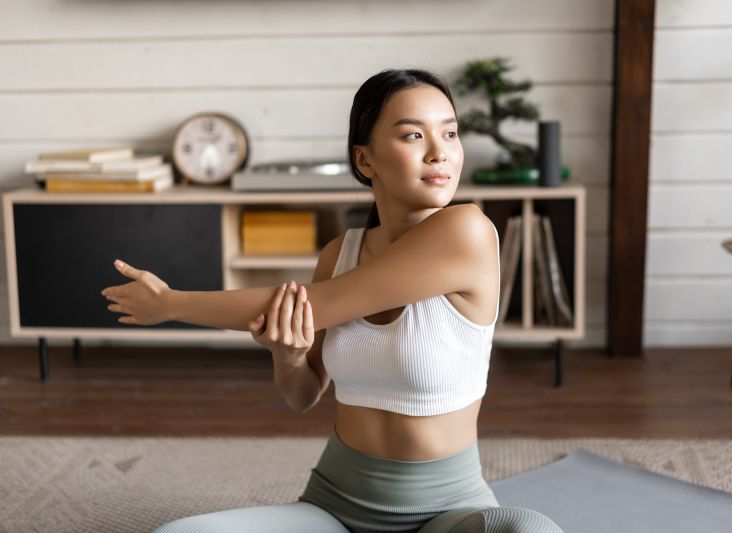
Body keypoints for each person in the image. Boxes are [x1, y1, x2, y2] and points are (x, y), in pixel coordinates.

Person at [101, 68, 562, 533]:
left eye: (450, 132)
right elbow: (303, 396)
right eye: (414, 135)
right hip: (335, 509)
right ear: (366, 161)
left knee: (529, 530)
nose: (440, 151)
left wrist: (171, 304)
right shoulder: (338, 255)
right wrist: (288, 355)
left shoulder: (468, 231)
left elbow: (313, 306)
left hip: (447, 515)